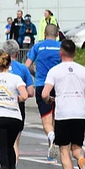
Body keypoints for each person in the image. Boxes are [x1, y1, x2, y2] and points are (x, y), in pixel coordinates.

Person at [42, 40, 85, 169]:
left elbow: (45, 94)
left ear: (61, 53)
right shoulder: (83, 70)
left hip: (63, 113)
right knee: (77, 148)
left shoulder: (54, 71)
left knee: (64, 149)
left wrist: (50, 100)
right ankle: (81, 160)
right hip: (79, 113)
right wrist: (82, 97)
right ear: (75, 53)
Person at [26, 24, 63, 158]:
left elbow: (27, 66)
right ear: (57, 34)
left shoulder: (38, 47)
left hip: (42, 85)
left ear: (44, 34)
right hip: (59, 86)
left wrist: (35, 74)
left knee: (47, 120)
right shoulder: (61, 47)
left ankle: (52, 140)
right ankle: (52, 150)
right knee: (57, 118)